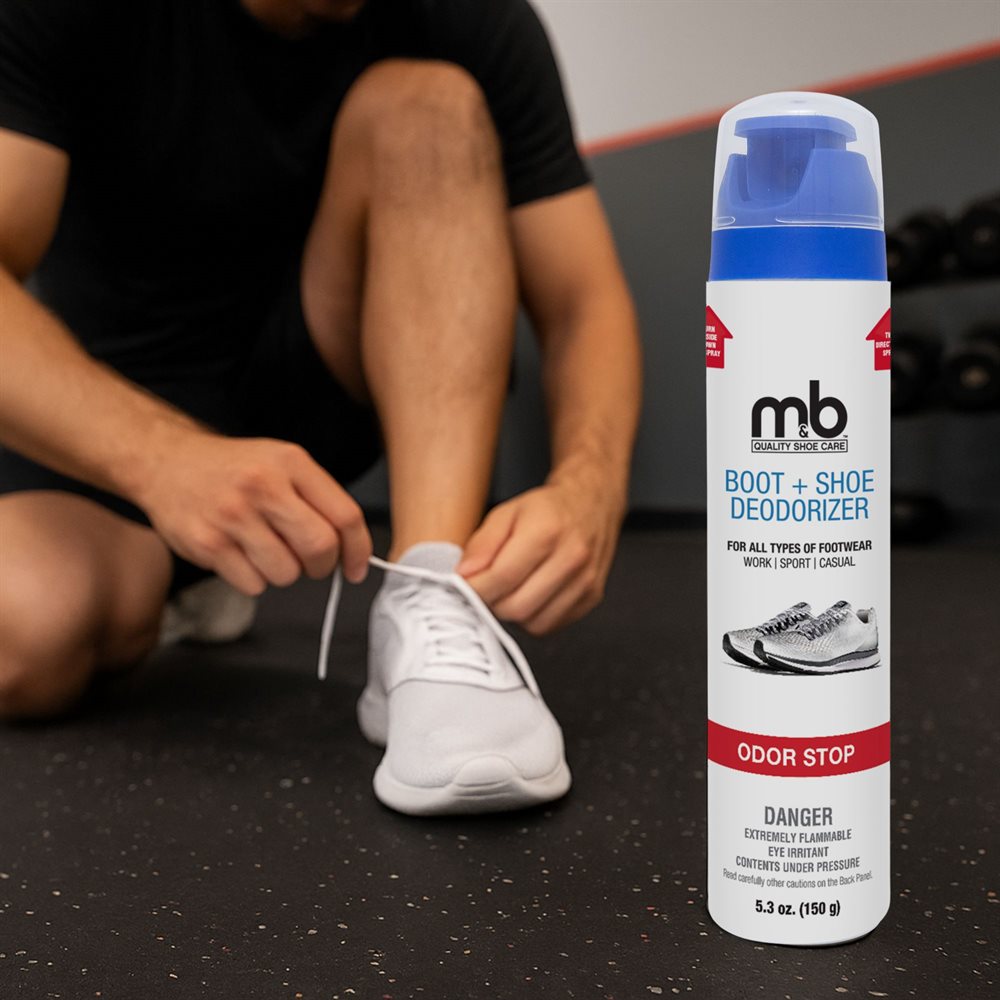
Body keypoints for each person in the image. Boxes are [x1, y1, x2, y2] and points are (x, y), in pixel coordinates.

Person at [0, 0, 641, 814]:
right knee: (25, 638)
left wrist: (591, 487)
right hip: (106, 417)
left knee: (427, 105)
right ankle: (179, 590)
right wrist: (163, 461)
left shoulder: (473, 18)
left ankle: (431, 598)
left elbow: (583, 302)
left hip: (322, 381)